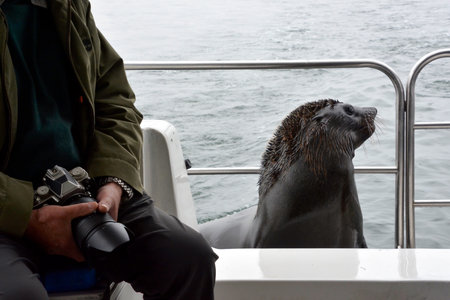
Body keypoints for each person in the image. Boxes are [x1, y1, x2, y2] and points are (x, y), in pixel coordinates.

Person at [0, 0, 218, 299]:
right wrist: (24, 215)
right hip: (6, 209)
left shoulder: (67, 7)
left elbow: (115, 102)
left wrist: (113, 179)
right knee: (17, 294)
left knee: (187, 258)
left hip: (82, 188)